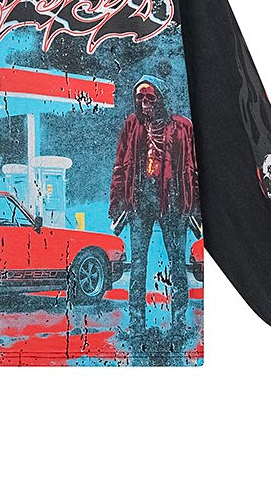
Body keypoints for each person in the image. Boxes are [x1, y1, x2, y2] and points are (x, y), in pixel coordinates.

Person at [109, 75, 199, 340]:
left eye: (150, 98)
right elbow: (120, 167)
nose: (144, 103)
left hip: (173, 203)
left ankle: (179, 325)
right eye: (140, 98)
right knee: (137, 266)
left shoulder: (183, 127)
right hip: (139, 203)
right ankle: (137, 325)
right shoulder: (131, 125)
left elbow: (193, 170)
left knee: (177, 266)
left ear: (161, 99)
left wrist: (195, 208)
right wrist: (117, 206)